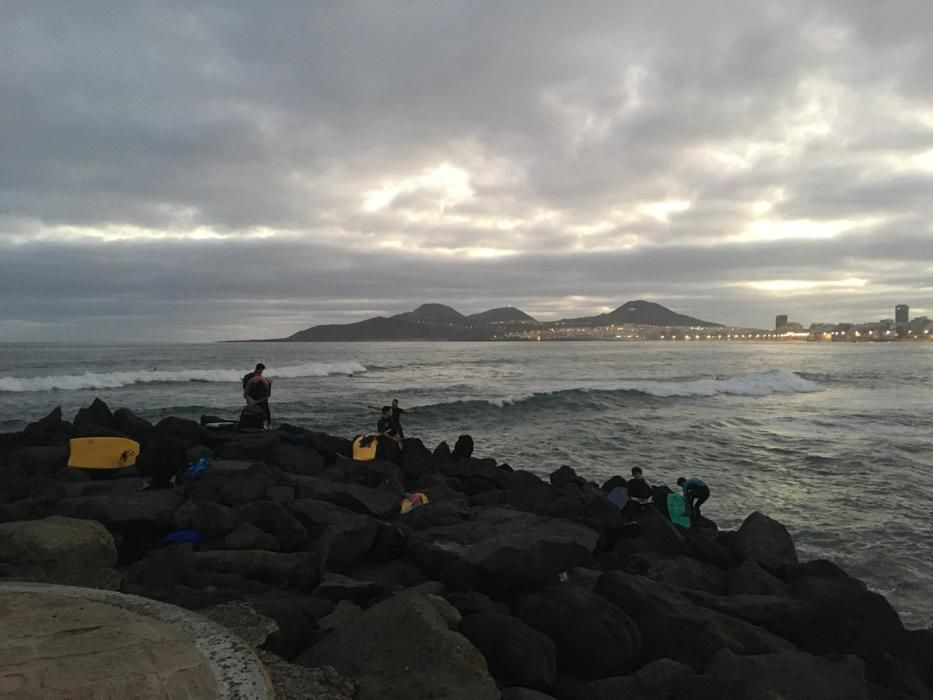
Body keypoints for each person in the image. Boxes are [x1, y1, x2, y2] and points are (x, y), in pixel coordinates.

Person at [244, 362, 273, 429]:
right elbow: (246, 388)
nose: (262, 372)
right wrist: (249, 398)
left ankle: (268, 424)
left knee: (266, 410)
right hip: (252, 397)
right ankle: (262, 425)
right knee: (255, 411)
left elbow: (267, 393)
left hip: (260, 398)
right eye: (261, 371)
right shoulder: (249, 377)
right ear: (258, 369)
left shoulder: (261, 378)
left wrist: (269, 384)